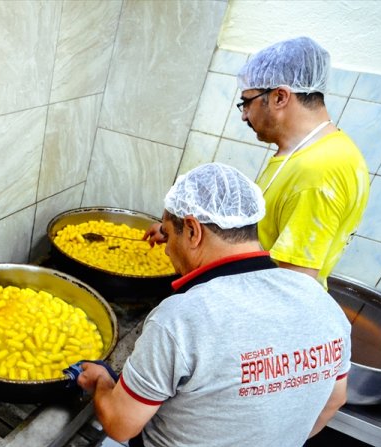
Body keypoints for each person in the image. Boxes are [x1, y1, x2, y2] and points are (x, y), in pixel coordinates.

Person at [63, 163, 351, 447]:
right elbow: (334, 400)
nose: (166, 248)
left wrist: (102, 380)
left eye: (169, 233)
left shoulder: (185, 316)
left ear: (193, 231)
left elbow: (121, 424)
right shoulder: (320, 302)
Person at [145, 37, 369, 290]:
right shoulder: (305, 153)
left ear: (280, 97)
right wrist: (178, 233)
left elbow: (290, 285)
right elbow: (259, 233)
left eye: (246, 102)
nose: (243, 115)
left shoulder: (319, 171)